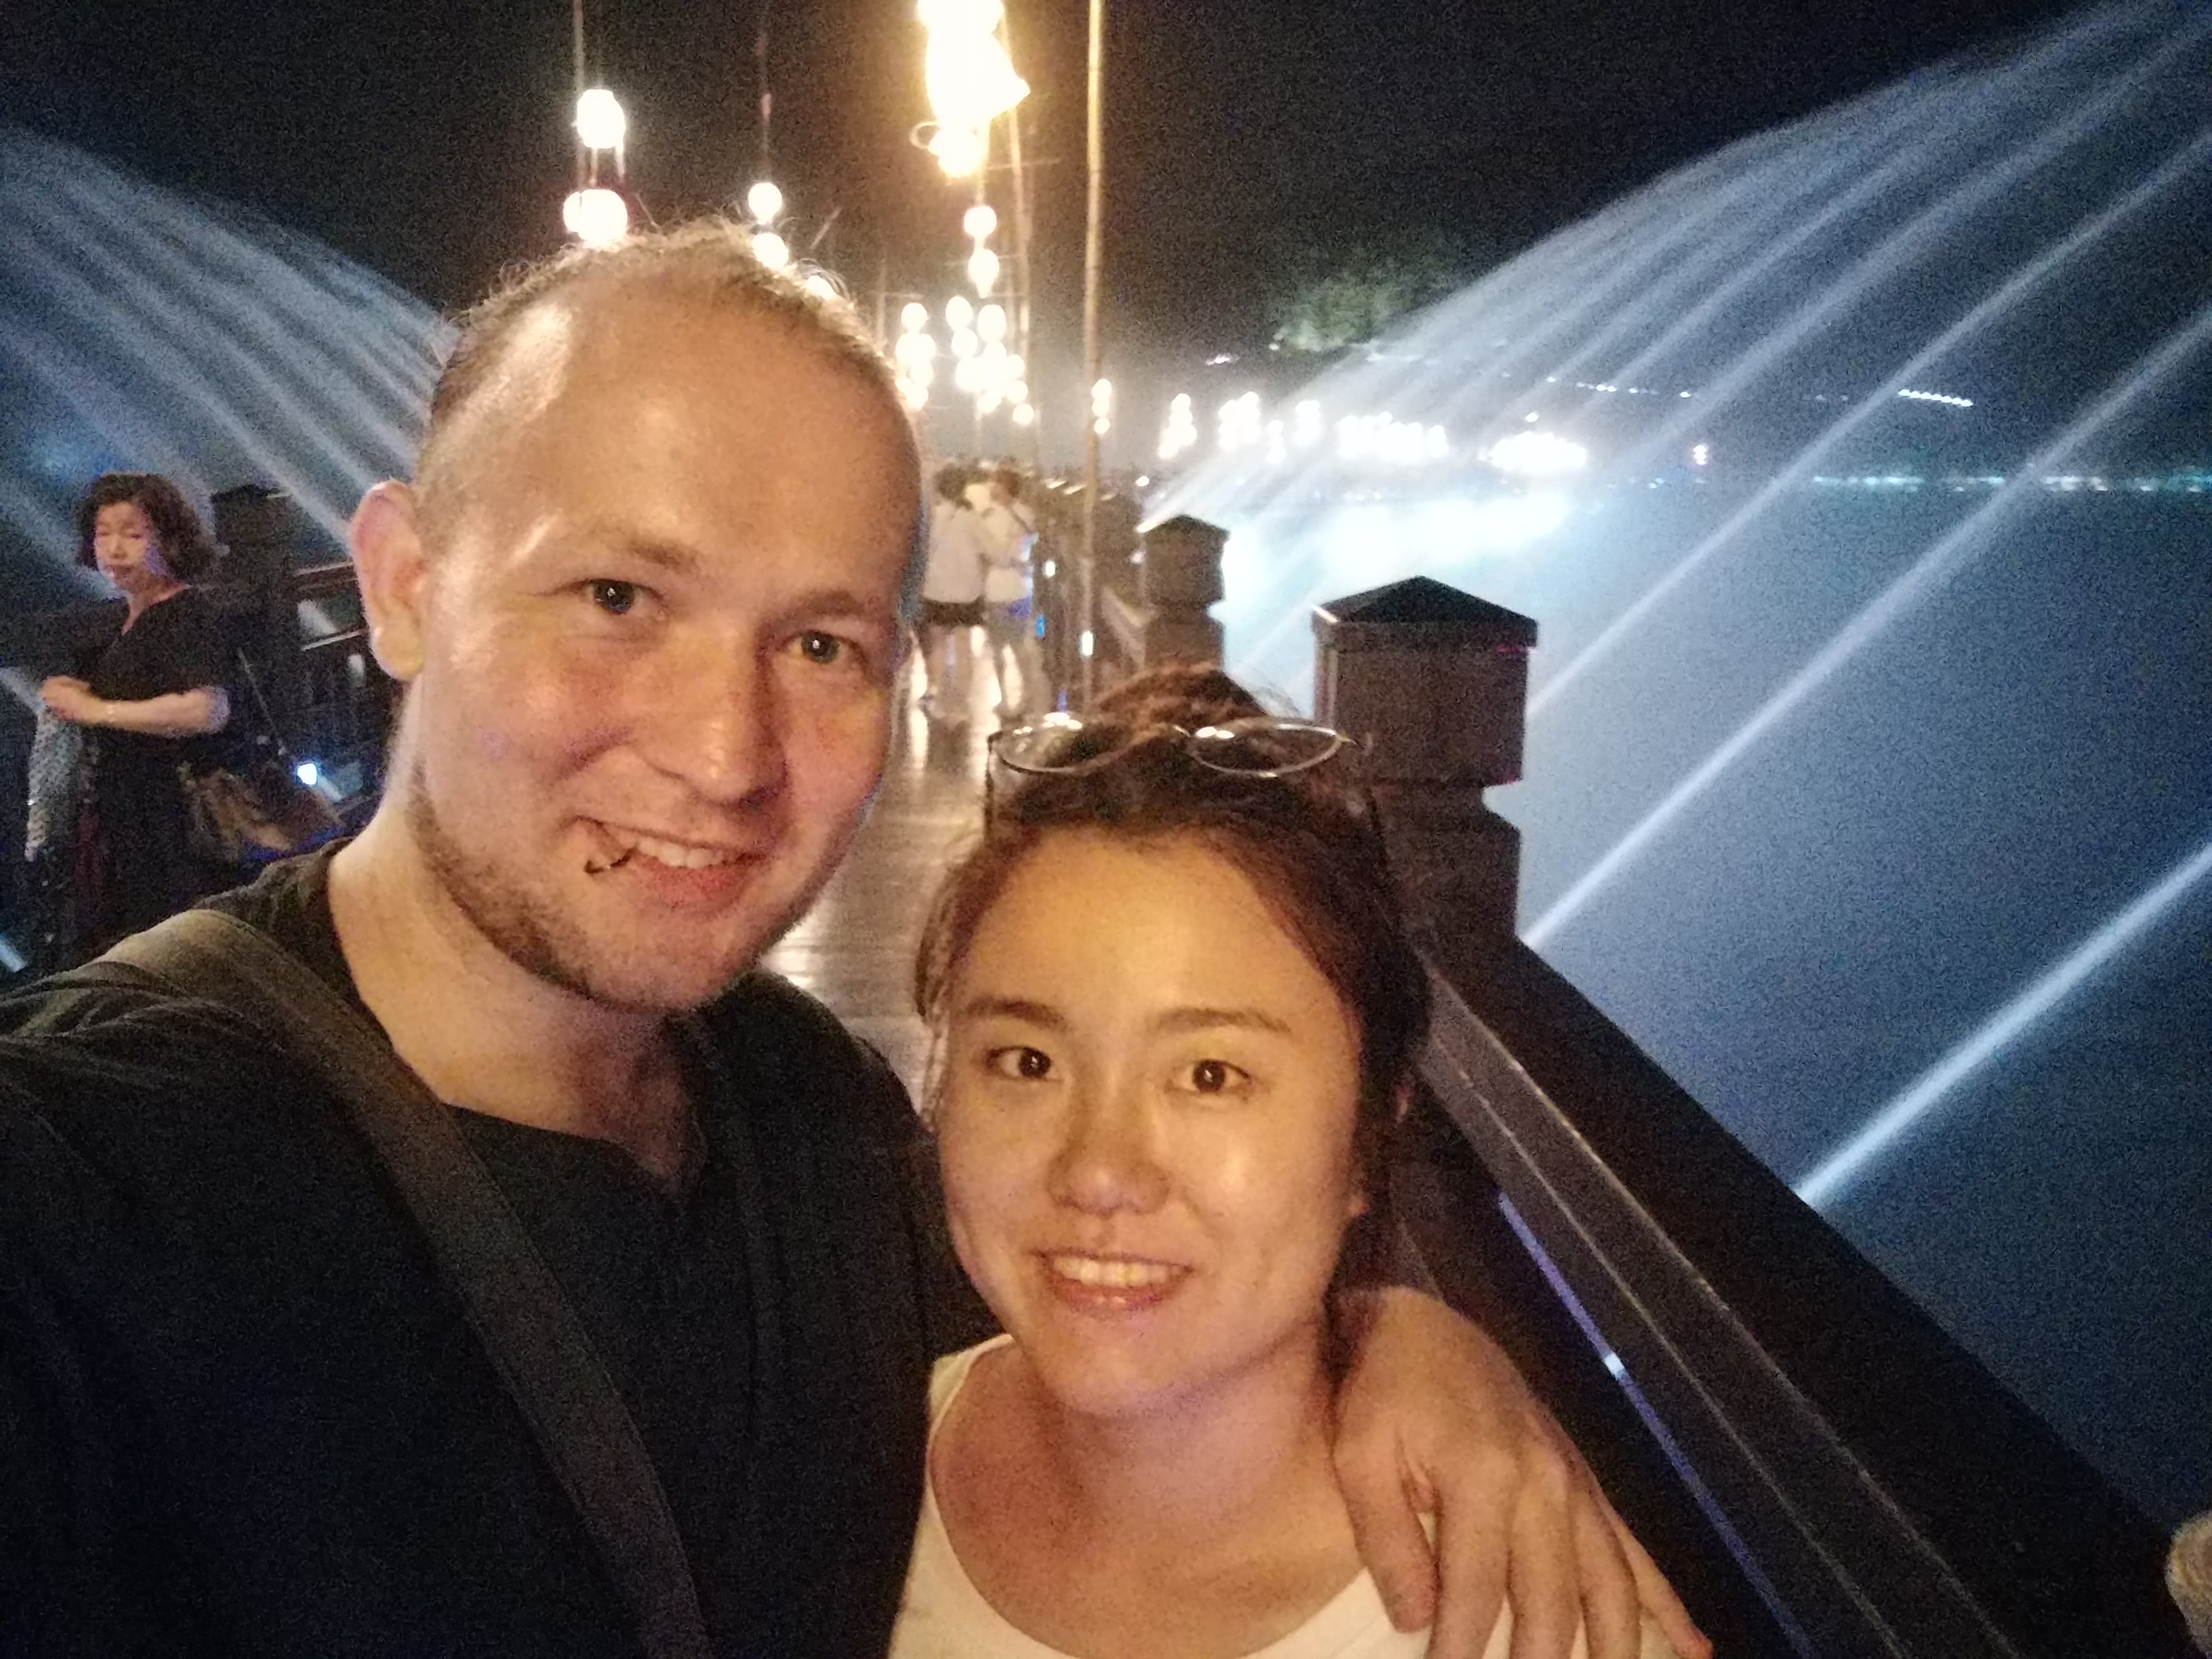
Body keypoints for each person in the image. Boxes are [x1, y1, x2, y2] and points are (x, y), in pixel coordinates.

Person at [0, 223, 1701, 1659]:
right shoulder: (86, 1182)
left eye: (820, 643)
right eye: (618, 598)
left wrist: (1395, 1336)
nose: (723, 753)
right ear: (403, 584)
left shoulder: (812, 1114)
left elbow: (1118, 1308)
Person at [892, 666, 1681, 1658]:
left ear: (1368, 1133)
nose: (1099, 1171)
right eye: (1028, 1062)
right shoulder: (831, 1473)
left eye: (1210, 1075)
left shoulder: (1532, 1621)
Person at [36, 472, 234, 958]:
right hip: (137, 816)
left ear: (170, 540)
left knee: (180, 944)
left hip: (177, 820)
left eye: (134, 534)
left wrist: (96, 709)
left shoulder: (183, 611)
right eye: (103, 533)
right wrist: (84, 694)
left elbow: (207, 710)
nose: (114, 549)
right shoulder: (136, 613)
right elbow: (145, 688)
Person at [918, 460, 993, 723]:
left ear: (939, 488)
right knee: (964, 647)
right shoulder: (971, 518)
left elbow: (920, 551)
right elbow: (992, 550)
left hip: (936, 590)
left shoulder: (932, 517)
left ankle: (938, 698)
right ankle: (962, 705)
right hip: (967, 592)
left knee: (937, 645)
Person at [977, 465, 1046, 719]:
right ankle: (1027, 694)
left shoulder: (989, 516)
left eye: (995, 482)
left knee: (997, 647)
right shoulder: (1026, 514)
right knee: (1019, 644)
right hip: (1021, 588)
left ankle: (1005, 698)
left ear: (1004, 487)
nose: (991, 486)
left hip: (996, 588)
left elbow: (988, 553)